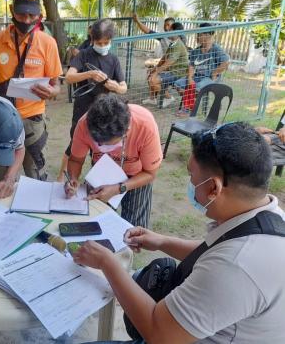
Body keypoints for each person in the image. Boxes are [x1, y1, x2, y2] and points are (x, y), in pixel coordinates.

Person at [75, 122, 285, 344]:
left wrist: (108, 263)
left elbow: (158, 334)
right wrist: (162, 241)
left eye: (192, 176)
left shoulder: (236, 267)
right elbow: (213, 252)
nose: (191, 184)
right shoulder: (268, 217)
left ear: (214, 188)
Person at [0, 0, 63, 181]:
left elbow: (57, 86)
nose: (27, 21)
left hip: (34, 120)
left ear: (39, 14)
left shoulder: (48, 43)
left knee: (35, 173)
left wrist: (51, 92)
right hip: (4, 118)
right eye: (21, 15)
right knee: (4, 174)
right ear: (12, 10)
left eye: (32, 16)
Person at [65, 95, 162, 228]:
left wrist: (120, 188)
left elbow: (150, 173)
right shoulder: (84, 124)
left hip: (138, 175)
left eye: (108, 144)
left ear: (125, 132)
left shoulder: (145, 125)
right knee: (96, 224)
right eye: (98, 143)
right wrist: (73, 178)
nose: (102, 147)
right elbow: (75, 160)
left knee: (134, 231)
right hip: (102, 175)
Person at [58, 19, 127, 181]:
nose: (102, 46)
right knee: (74, 147)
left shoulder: (113, 60)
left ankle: (97, 182)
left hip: (105, 114)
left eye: (106, 42)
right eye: (99, 42)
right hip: (83, 111)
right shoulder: (84, 55)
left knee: (101, 150)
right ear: (92, 39)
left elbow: (124, 87)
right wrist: (89, 74)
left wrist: (115, 87)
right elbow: (69, 77)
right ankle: (62, 180)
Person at [174, 23, 230, 96]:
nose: (197, 37)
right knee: (177, 84)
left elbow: (226, 62)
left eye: (199, 34)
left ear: (207, 35)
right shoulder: (196, 51)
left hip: (209, 78)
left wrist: (214, 73)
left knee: (198, 87)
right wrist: (190, 78)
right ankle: (190, 99)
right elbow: (191, 66)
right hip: (197, 77)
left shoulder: (216, 49)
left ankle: (191, 100)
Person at [143, 22, 189, 108]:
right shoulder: (173, 43)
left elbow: (169, 62)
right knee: (150, 72)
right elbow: (164, 58)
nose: (168, 31)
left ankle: (169, 98)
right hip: (171, 70)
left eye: (170, 30)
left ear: (176, 32)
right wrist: (155, 69)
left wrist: (156, 72)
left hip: (177, 73)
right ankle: (152, 99)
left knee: (153, 80)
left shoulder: (178, 45)